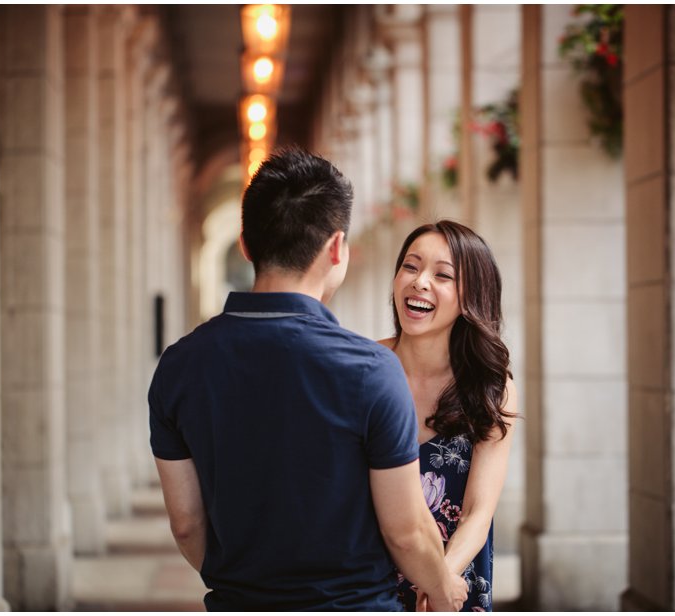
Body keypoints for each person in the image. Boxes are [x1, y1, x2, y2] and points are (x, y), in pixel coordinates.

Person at [148, 149, 467, 611]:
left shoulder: (179, 365)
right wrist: (444, 589)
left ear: (245, 244)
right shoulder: (373, 371)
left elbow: (187, 526)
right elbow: (406, 531)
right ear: (336, 248)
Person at [381, 220, 517, 612]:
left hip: (452, 586)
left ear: (471, 296)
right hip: (366, 584)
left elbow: (479, 510)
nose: (420, 282)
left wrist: (439, 580)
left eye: (442, 275)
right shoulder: (363, 367)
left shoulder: (491, 386)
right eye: (410, 266)